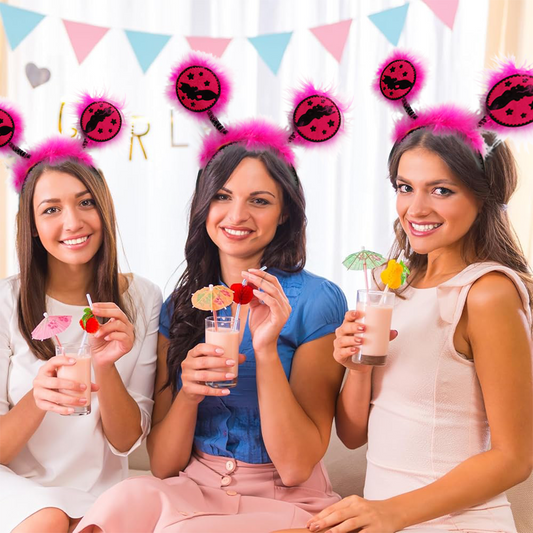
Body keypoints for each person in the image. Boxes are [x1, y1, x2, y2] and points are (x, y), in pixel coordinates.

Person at [75, 139, 348, 532]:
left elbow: (295, 467)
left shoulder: (315, 301)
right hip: (197, 488)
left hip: (283, 497)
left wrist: (265, 351)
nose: (237, 214)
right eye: (222, 196)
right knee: (120, 501)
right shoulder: (182, 306)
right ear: (204, 205)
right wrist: (188, 393)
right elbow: (163, 466)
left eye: (259, 201)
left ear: (285, 213)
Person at [303, 127, 533, 533]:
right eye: (405, 187)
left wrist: (392, 512)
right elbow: (354, 435)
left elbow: (515, 458)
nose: (416, 209)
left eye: (441, 190)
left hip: (453, 525)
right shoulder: (392, 286)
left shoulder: (486, 293)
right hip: (383, 520)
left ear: (483, 196)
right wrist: (358, 368)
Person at [0, 138, 162, 533]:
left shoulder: (142, 298)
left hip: (98, 491)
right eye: (51, 209)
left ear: (104, 209)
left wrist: (105, 365)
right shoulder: (6, 301)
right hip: (14, 485)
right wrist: (37, 399)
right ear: (32, 226)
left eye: (85, 202)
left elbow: (127, 442)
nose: (73, 222)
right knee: (50, 518)